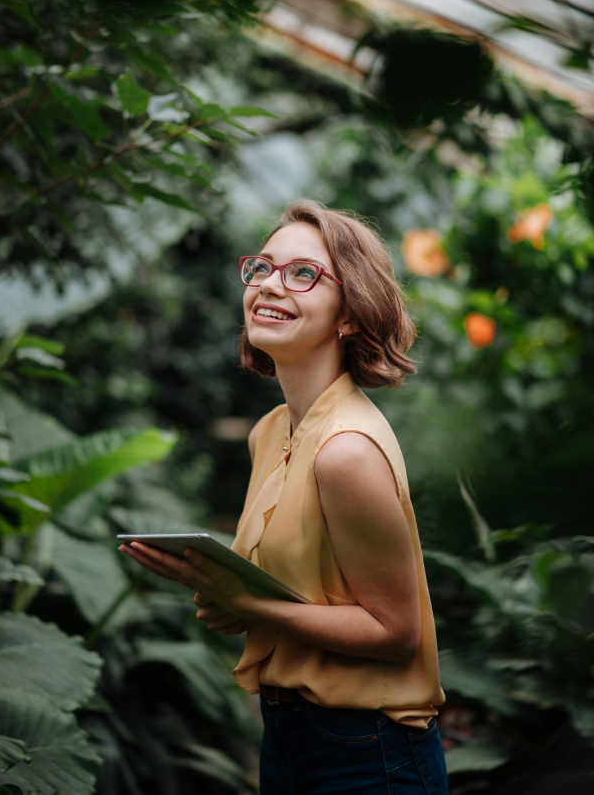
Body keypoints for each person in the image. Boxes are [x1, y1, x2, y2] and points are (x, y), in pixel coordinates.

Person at [120, 200, 447, 794]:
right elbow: (310, 596)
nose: (270, 285)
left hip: (370, 752)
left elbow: (397, 632)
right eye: (262, 268)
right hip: (286, 737)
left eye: (303, 273)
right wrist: (228, 600)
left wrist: (250, 606)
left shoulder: (346, 451)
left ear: (350, 315)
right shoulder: (269, 432)